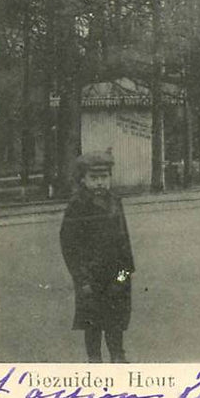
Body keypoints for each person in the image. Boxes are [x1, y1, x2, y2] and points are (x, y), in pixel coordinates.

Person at [60, 151, 134, 363]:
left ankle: (118, 355)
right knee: (92, 319)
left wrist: (124, 275)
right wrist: (82, 278)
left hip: (117, 272)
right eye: (94, 178)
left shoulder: (115, 202)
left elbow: (124, 241)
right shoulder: (77, 206)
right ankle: (94, 359)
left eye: (104, 177)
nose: (100, 183)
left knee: (116, 316)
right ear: (83, 179)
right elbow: (69, 245)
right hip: (90, 276)